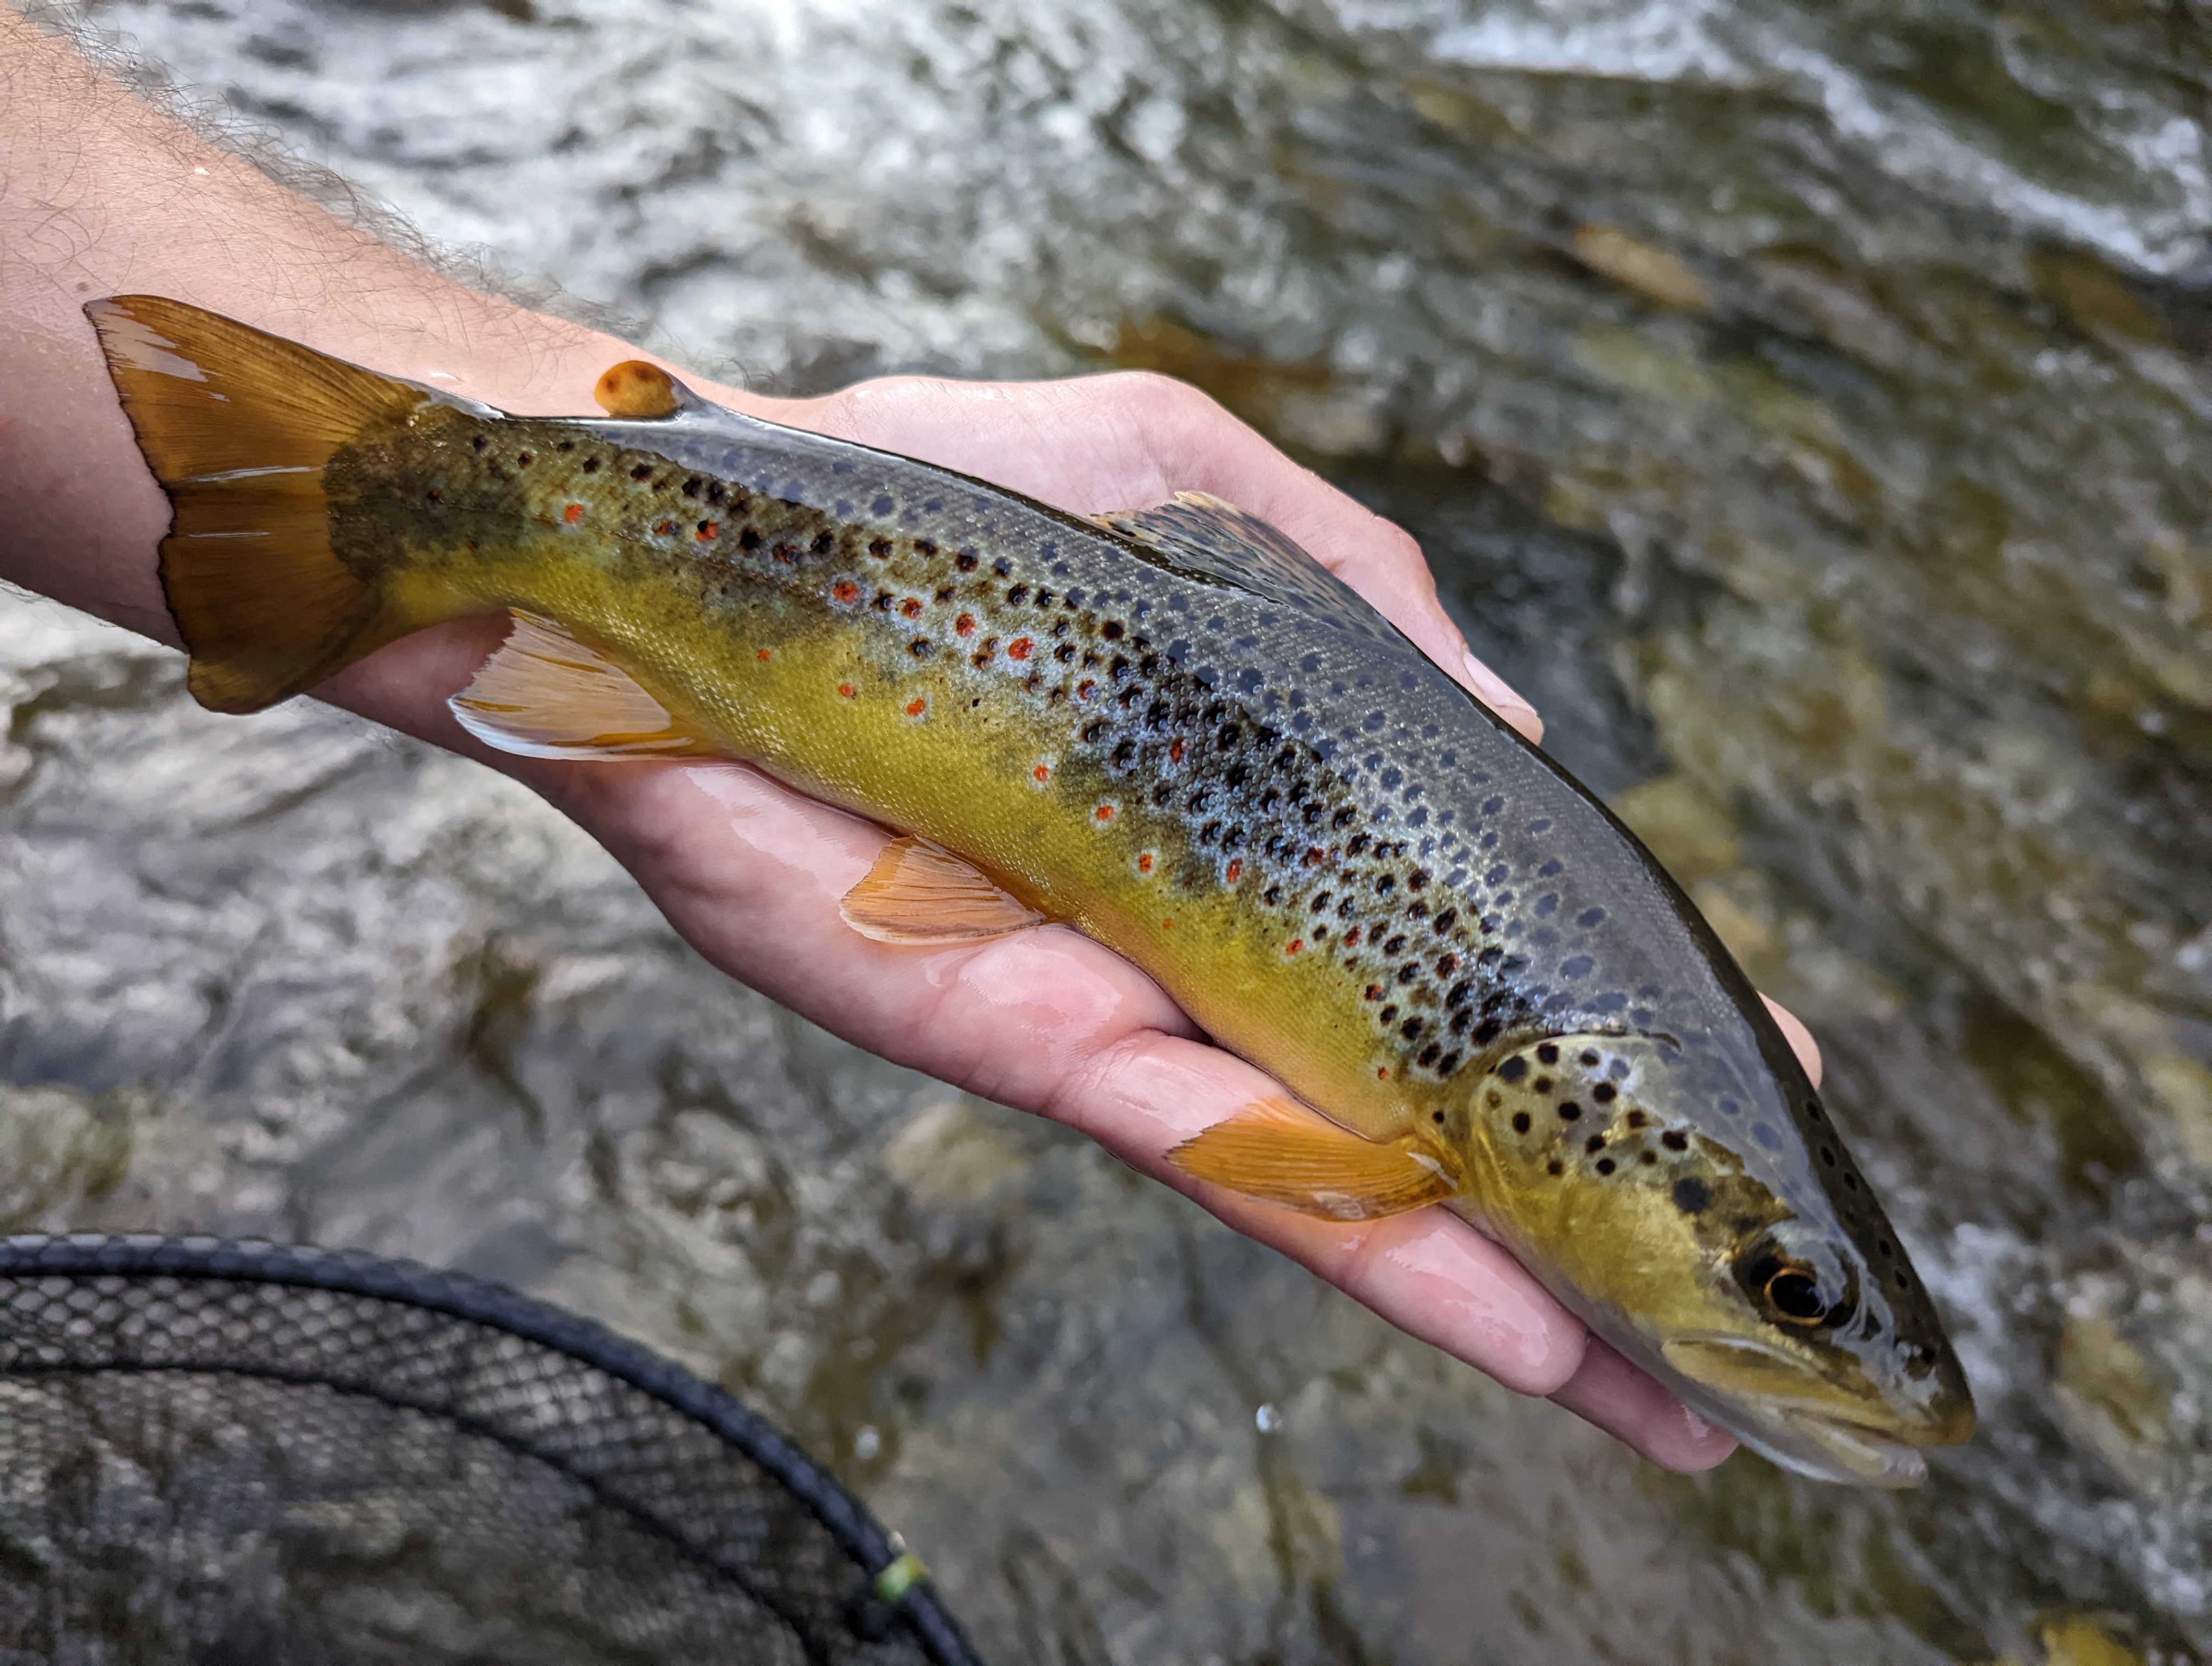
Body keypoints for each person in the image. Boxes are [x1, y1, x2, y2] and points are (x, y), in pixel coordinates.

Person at [1, 9, 1831, 1472]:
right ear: (1585, 1113)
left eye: (1783, 1286)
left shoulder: (1536, 1066)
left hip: (892, 619)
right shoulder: (1465, 1117)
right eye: (1777, 1282)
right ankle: (405, 505)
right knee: (463, 509)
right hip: (838, 582)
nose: (1776, 1312)